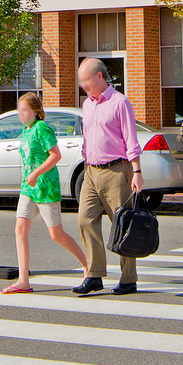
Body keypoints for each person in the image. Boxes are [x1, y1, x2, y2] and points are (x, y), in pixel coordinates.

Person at [2, 92, 89, 294]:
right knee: (20, 229)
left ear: (36, 111)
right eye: (19, 110)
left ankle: (88, 265)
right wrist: (28, 177)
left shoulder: (42, 128)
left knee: (56, 234)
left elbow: (55, 155)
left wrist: (36, 173)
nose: (21, 114)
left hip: (45, 187)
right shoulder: (26, 130)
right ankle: (23, 280)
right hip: (28, 188)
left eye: (25, 110)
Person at [73, 57, 141, 296]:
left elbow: (131, 139)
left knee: (121, 225)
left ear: (100, 76)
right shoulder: (87, 105)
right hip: (91, 171)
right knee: (85, 220)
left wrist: (137, 171)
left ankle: (128, 278)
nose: (83, 85)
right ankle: (94, 275)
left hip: (116, 170)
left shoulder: (120, 102)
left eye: (86, 80)